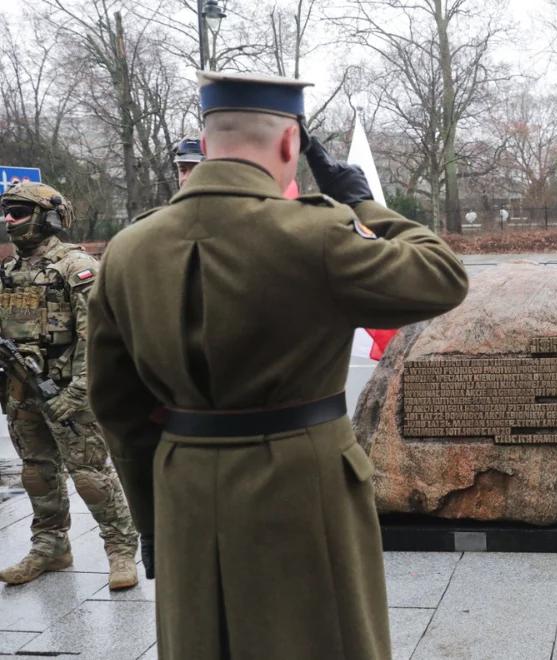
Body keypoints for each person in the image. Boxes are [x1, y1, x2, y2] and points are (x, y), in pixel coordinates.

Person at [87, 70, 469, 659]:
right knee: (317, 639)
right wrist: (362, 200)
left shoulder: (128, 250)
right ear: (291, 144)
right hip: (302, 482)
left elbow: (115, 406)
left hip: (182, 484)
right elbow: (443, 277)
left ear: (206, 142)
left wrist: (154, 522)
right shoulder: (317, 232)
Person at [0, 182, 139, 590]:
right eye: (7, 212)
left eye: (19, 212)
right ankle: (51, 547)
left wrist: (78, 392)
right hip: (21, 394)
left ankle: (120, 549)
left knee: (91, 476)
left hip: (67, 393)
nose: (9, 220)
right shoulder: (9, 272)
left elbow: (98, 336)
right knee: (36, 474)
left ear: (48, 216)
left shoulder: (76, 268)